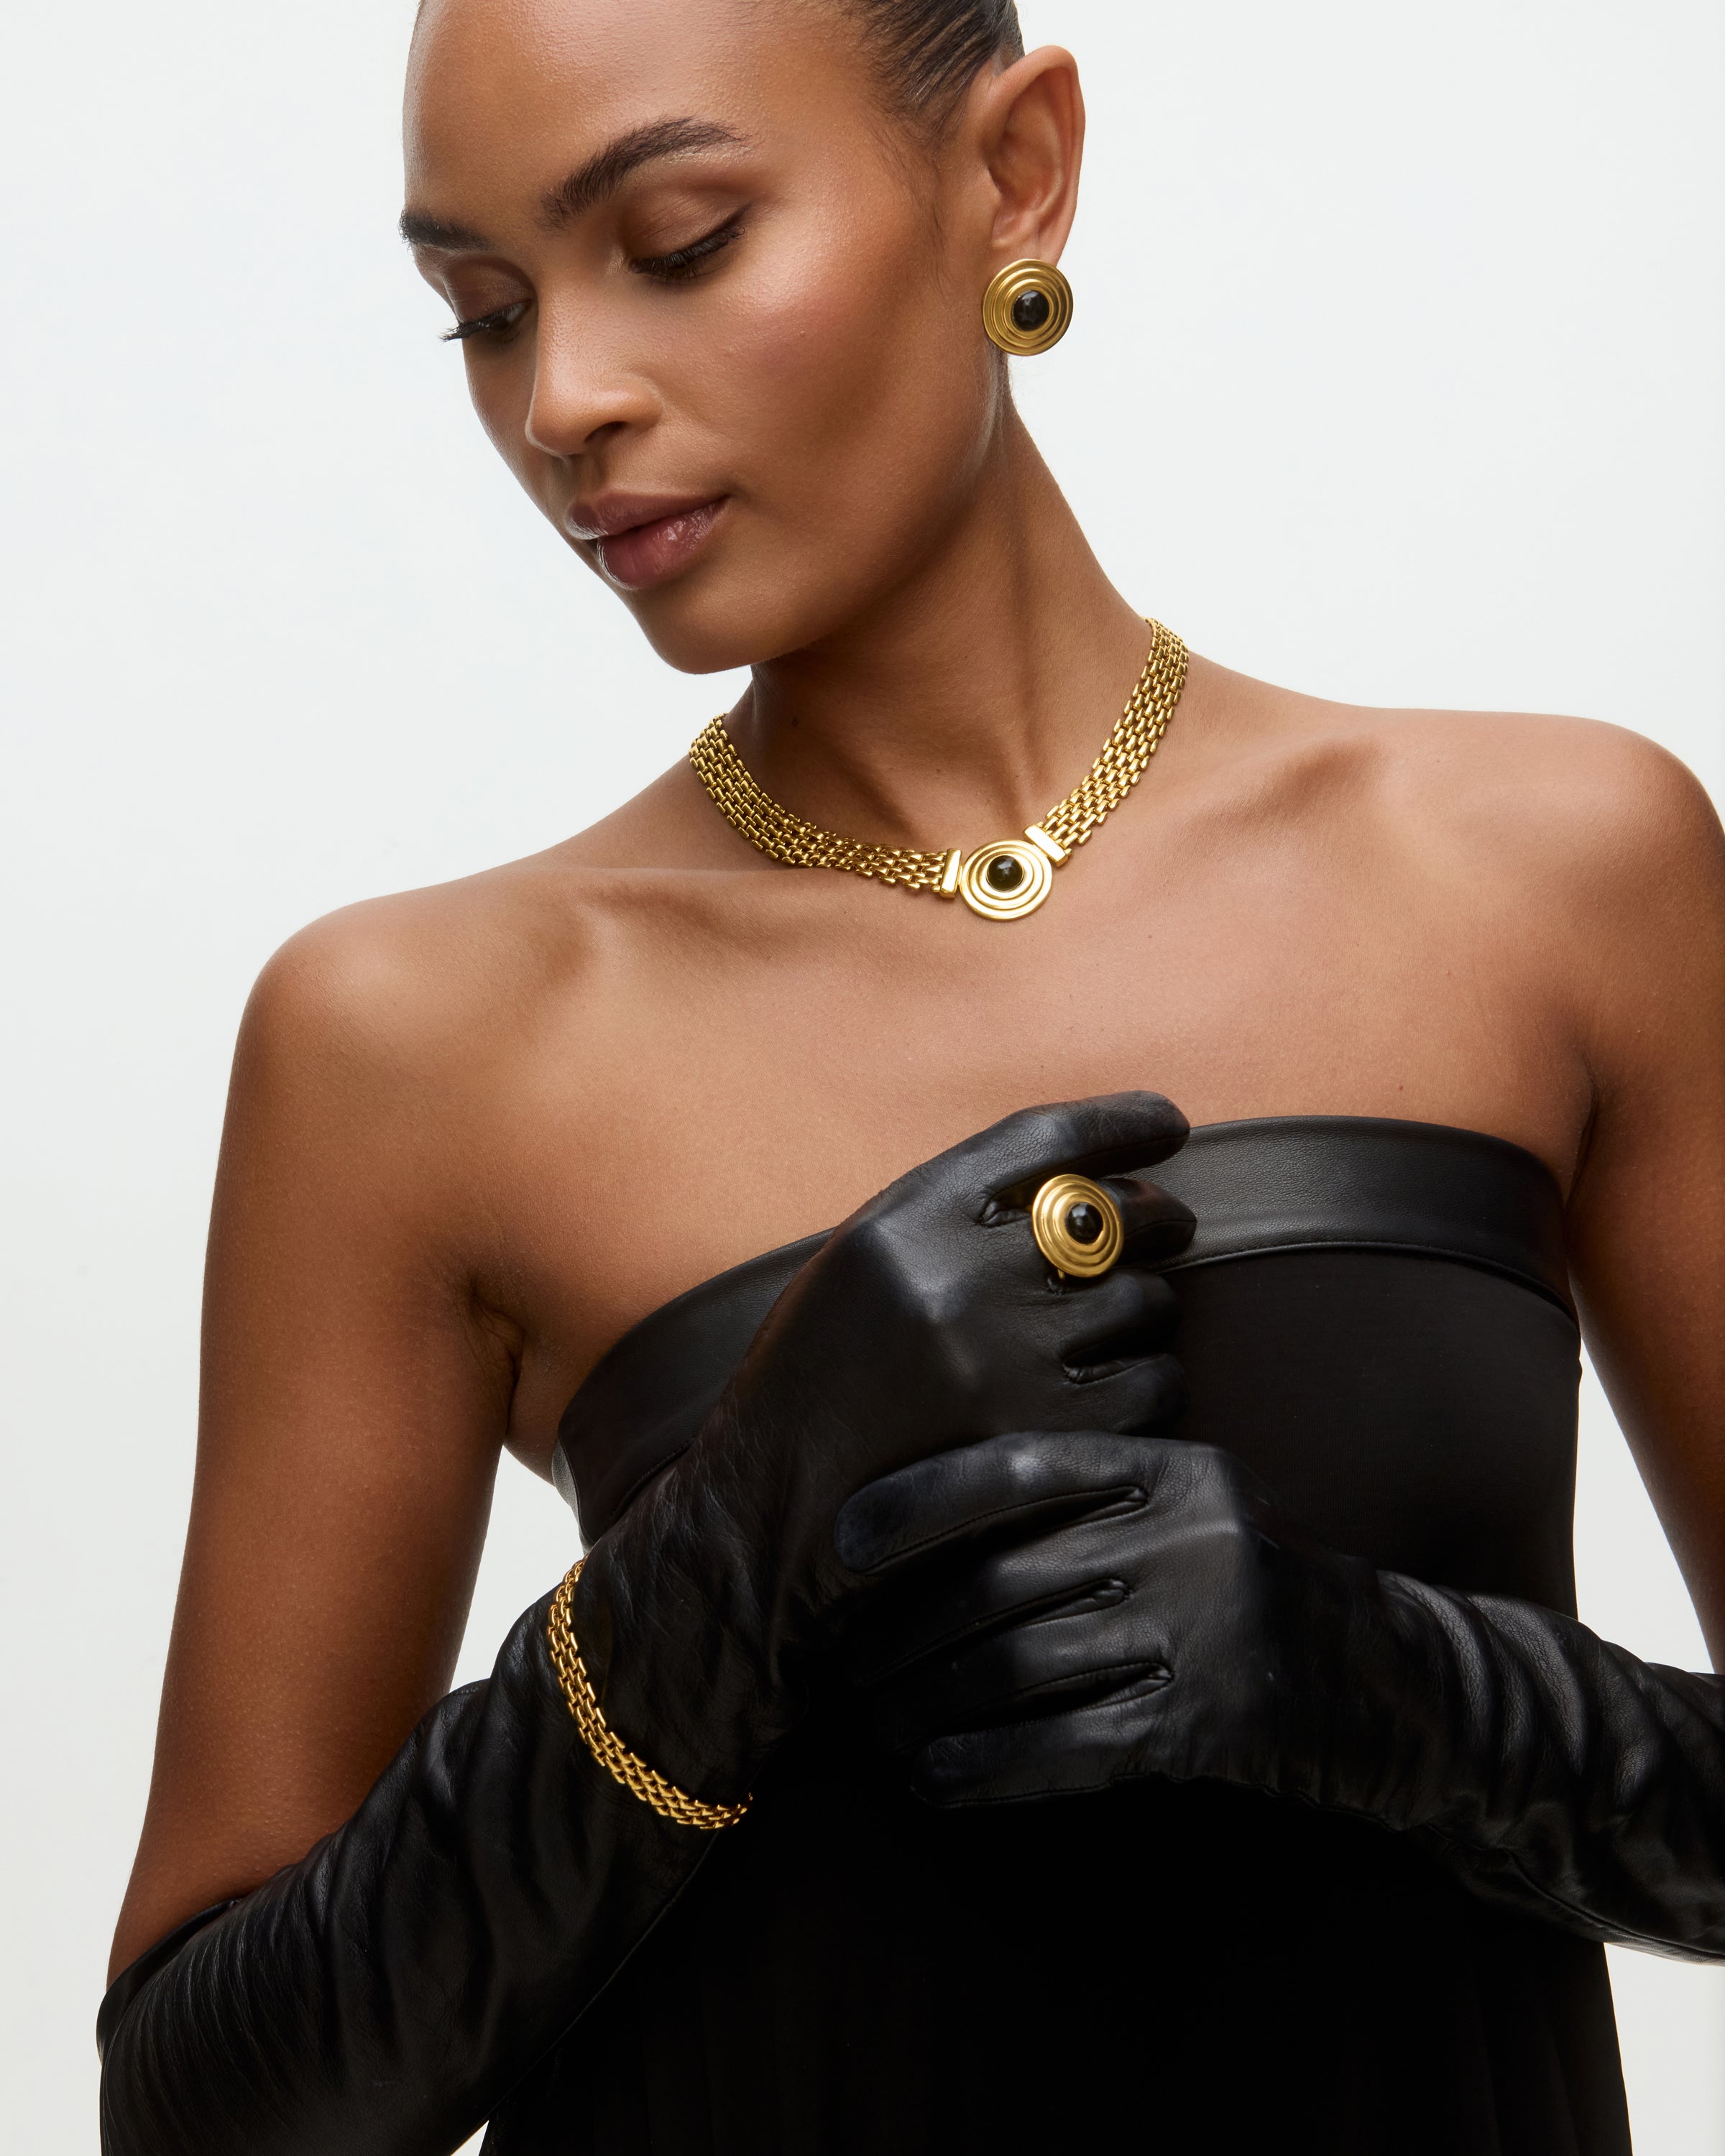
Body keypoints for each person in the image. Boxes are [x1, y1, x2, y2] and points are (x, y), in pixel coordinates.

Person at [98, 1, 1725, 2150]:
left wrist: (1379, 1691)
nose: (562, 400)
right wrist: (733, 1548)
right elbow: (217, 2114)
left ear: (1015, 172)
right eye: (480, 314)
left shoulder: (1555, 873)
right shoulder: (411, 1044)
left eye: (677, 241)